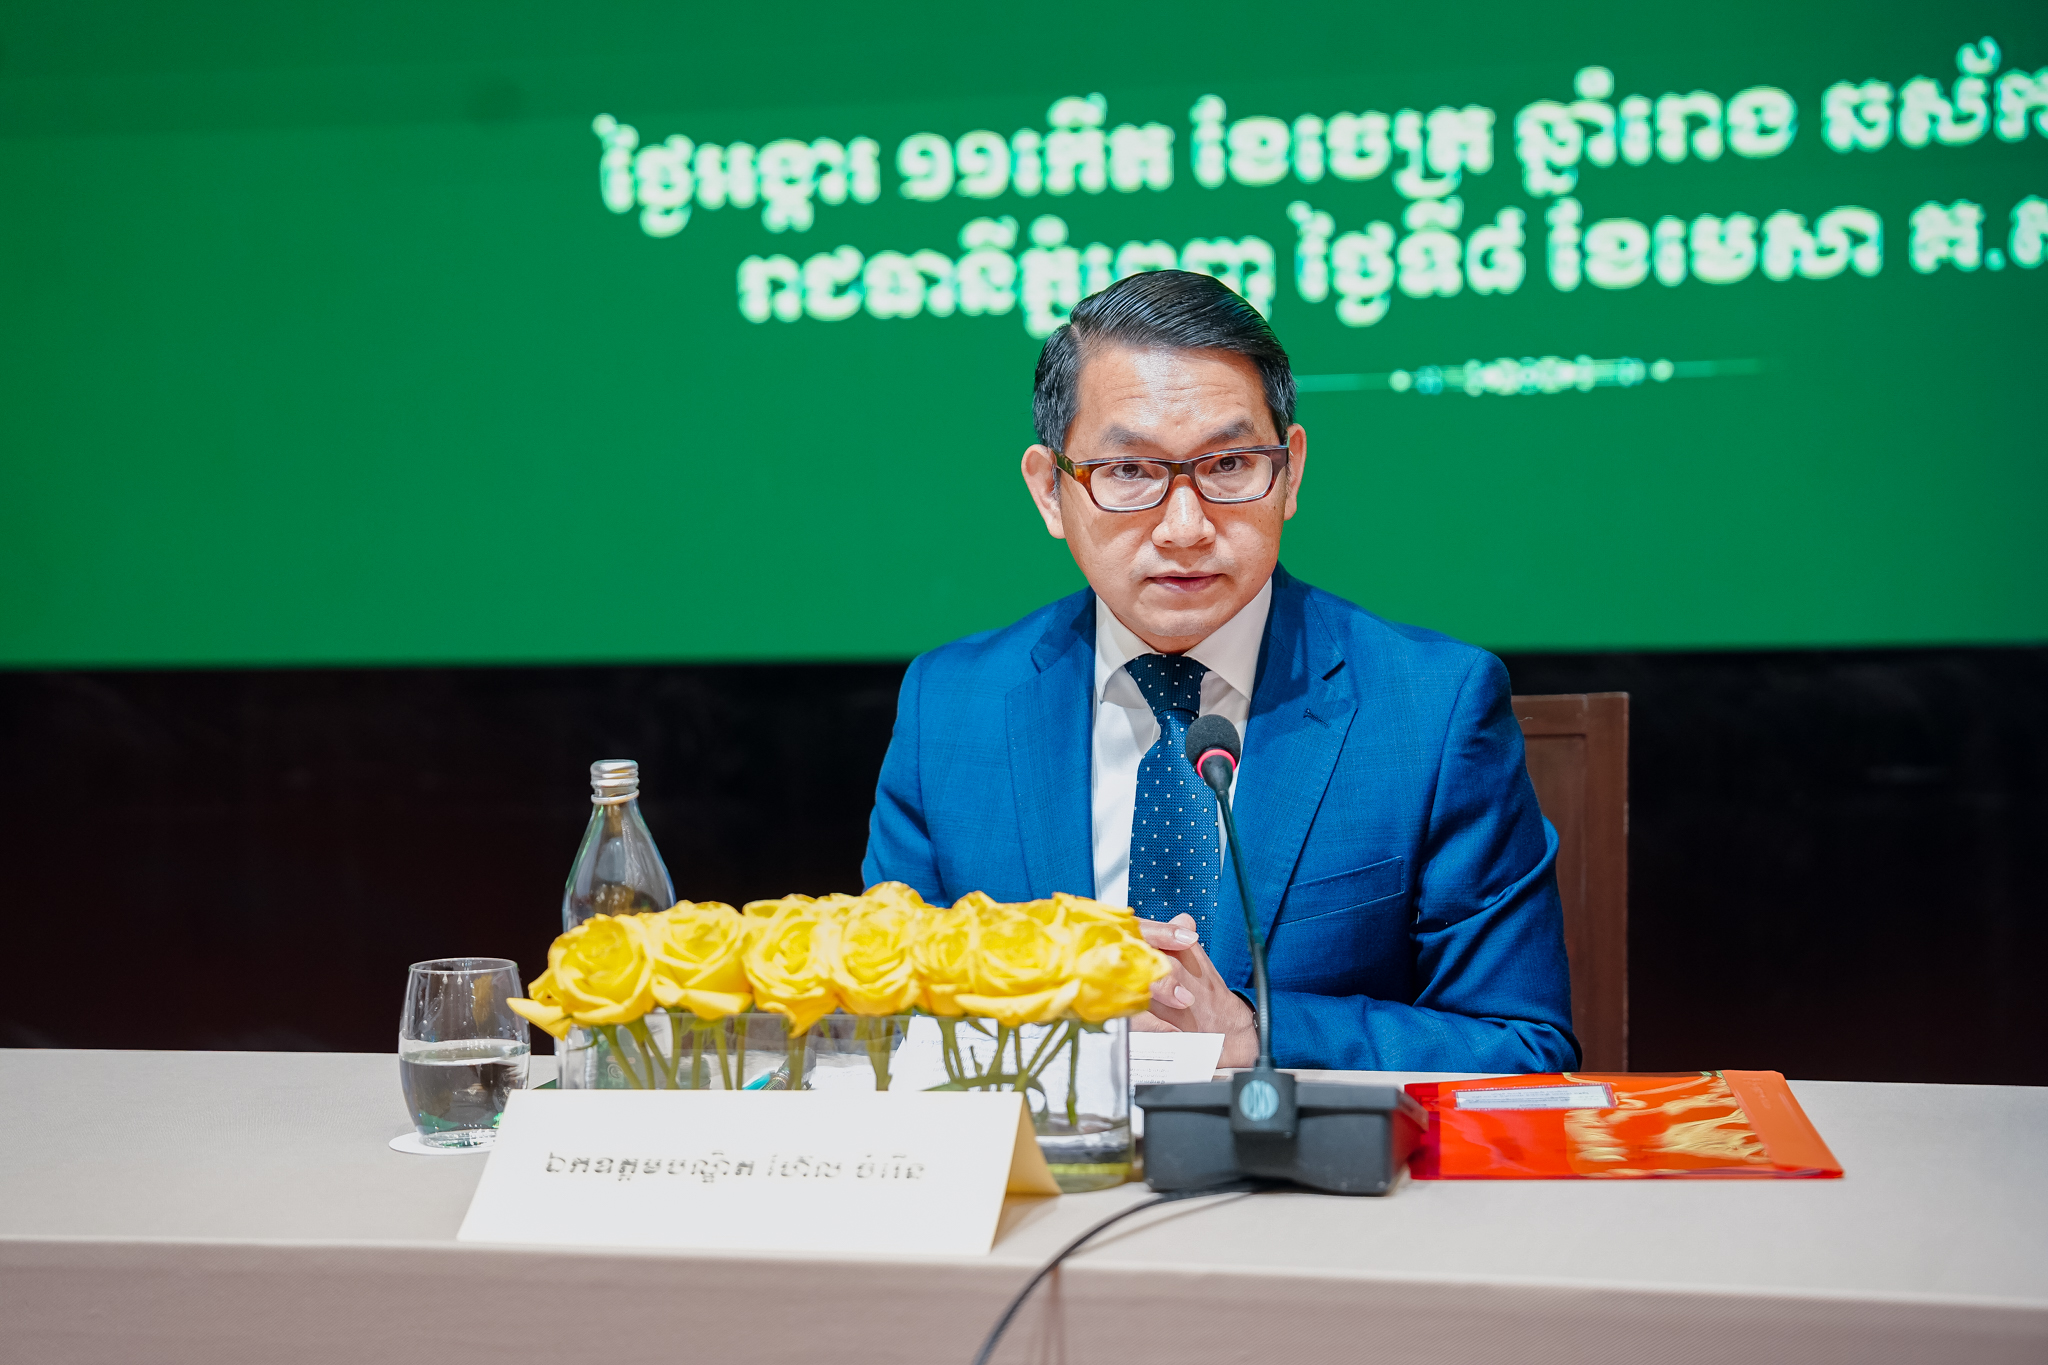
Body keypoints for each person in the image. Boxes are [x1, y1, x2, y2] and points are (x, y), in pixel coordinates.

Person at [862, 270, 1576, 1072]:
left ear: (1290, 472)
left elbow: (1523, 1045)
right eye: (1129, 471)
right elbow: (892, 1026)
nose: (1185, 527)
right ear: (1051, 491)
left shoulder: (1432, 708)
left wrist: (1255, 1033)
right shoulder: (950, 710)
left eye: (1230, 463)